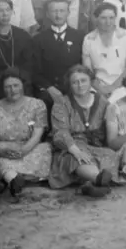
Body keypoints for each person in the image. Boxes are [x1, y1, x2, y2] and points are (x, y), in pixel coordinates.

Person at [0, 68, 52, 197]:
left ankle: (5, 180)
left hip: (29, 148)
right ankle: (14, 179)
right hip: (1, 149)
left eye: (16, 85)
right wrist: (2, 150)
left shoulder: (38, 105)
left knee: (45, 149)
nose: (12, 90)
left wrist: (25, 149)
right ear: (2, 89)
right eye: (8, 87)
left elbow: (37, 134)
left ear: (23, 85)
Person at [46, 65, 117, 197]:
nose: (80, 85)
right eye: (75, 82)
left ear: (91, 81)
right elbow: (60, 132)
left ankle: (90, 184)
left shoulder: (102, 102)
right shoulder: (61, 103)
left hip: (96, 145)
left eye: (83, 81)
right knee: (76, 159)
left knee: (110, 156)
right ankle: (98, 179)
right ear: (70, 85)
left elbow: (110, 125)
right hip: (72, 145)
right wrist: (76, 151)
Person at [29, 0, 84, 106]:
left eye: (62, 11)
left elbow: (83, 67)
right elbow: (34, 70)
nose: (58, 15)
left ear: (68, 12)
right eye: (54, 11)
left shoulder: (80, 37)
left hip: (74, 88)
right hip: (48, 90)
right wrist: (49, 88)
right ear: (48, 14)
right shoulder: (38, 39)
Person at [81, 1, 126, 99]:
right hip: (96, 86)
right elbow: (87, 70)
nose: (108, 22)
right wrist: (100, 88)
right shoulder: (89, 39)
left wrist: (112, 87)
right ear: (96, 18)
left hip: (121, 85)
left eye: (111, 18)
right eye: (103, 18)